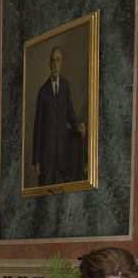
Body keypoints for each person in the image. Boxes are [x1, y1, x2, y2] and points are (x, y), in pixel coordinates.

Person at [31, 46, 86, 187]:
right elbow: (37, 128)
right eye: (53, 61)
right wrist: (36, 160)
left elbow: (69, 112)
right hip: (45, 158)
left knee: (59, 196)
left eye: (58, 60)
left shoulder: (66, 86)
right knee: (43, 197)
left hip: (61, 156)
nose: (56, 64)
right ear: (50, 65)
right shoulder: (43, 92)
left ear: (61, 62)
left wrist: (76, 125)